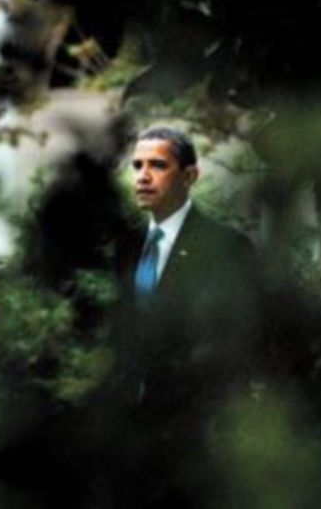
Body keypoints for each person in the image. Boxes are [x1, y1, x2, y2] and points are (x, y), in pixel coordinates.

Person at [107, 126, 260, 508]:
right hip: (128, 440)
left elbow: (237, 344)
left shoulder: (227, 247)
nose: (143, 176)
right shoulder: (125, 245)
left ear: (189, 175)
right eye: (137, 165)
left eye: (157, 165)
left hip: (196, 441)